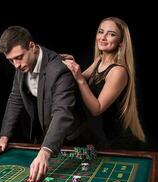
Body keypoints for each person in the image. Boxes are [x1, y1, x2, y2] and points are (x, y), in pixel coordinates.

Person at [0, 26, 93, 182]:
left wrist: (45, 151)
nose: (16, 65)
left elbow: (62, 112)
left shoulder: (59, 69)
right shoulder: (20, 65)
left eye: (19, 57)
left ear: (32, 47)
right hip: (45, 135)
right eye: (10, 60)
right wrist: (4, 136)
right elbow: (16, 98)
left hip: (73, 140)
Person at [61, 17, 145, 150]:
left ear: (121, 42)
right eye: (101, 32)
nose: (103, 37)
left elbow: (97, 109)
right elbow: (76, 83)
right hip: (104, 139)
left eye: (111, 34)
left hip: (121, 142)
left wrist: (79, 78)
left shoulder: (118, 71)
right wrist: (66, 62)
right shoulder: (99, 61)